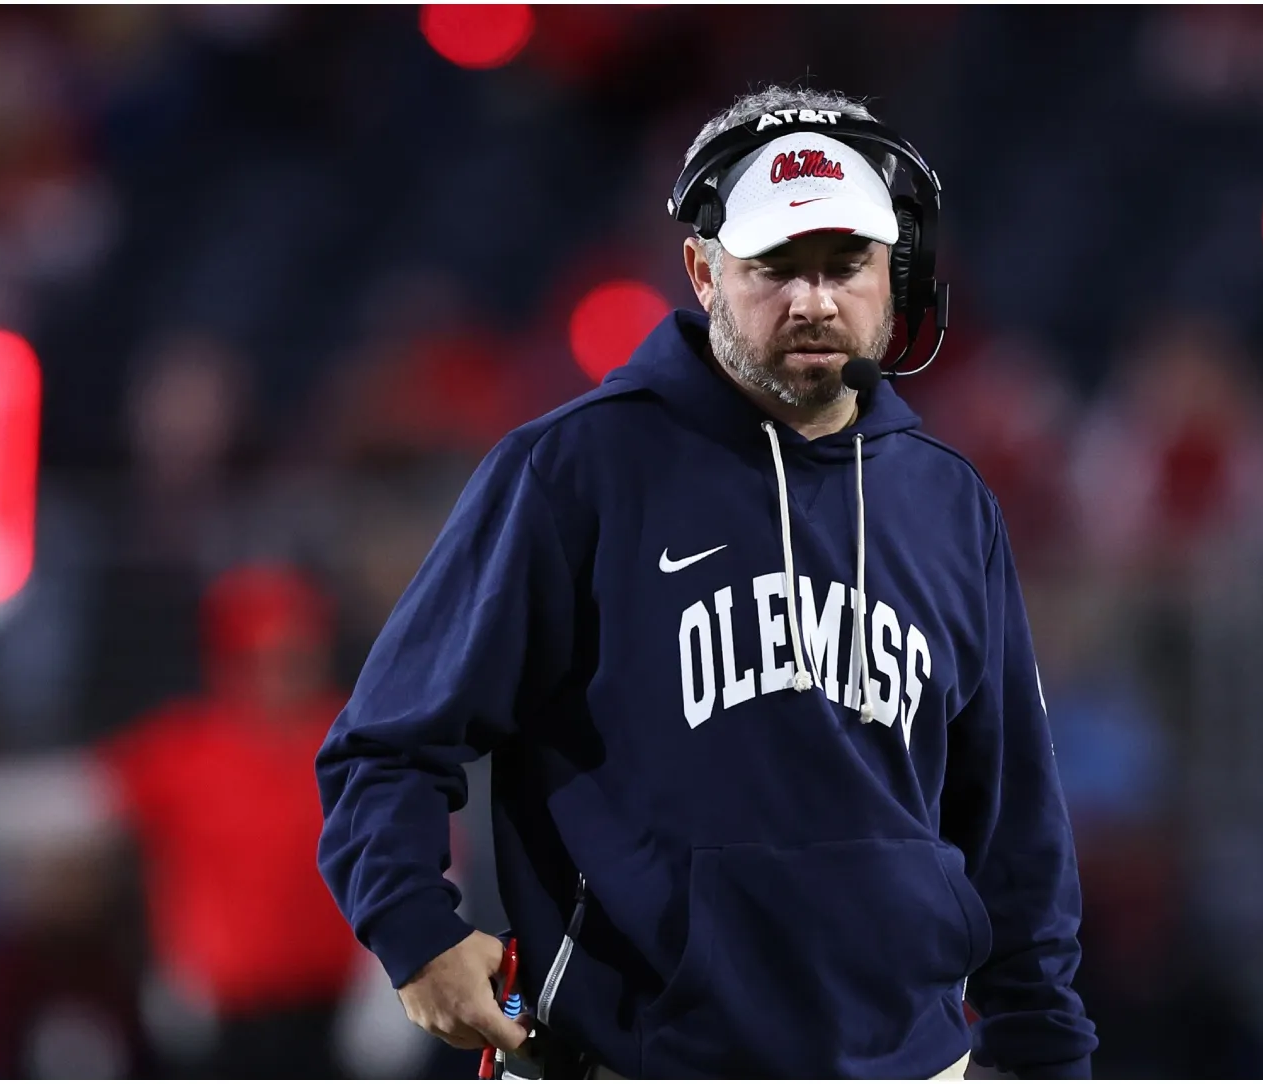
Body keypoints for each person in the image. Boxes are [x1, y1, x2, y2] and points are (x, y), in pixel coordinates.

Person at [316, 86, 1097, 1079]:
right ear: (703, 269)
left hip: (910, 1063)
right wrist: (413, 924)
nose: (814, 299)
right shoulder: (573, 471)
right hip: (633, 1058)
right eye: (777, 264)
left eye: (844, 263)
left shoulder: (950, 503)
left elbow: (1015, 824)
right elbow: (386, 744)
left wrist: (1045, 1049)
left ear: (892, 276)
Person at [101, 561, 366, 1077]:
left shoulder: (355, 746)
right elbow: (71, 803)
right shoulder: (185, 749)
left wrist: (389, 988)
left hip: (330, 1011)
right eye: (258, 659)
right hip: (220, 1016)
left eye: (293, 657)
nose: (278, 676)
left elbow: (430, 860)